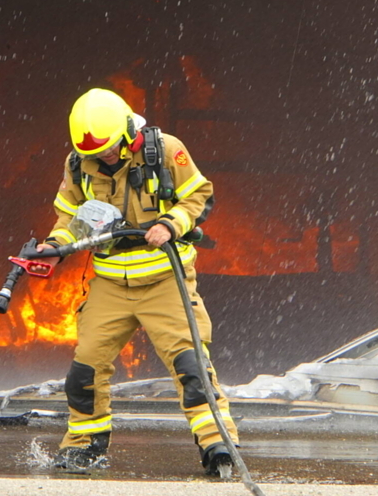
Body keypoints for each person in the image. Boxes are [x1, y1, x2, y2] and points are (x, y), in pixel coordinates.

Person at [35, 87, 239, 475]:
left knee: (192, 366)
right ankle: (84, 446)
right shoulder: (79, 164)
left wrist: (169, 224)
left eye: (110, 149)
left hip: (165, 279)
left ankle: (218, 445)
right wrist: (53, 246)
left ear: (129, 132)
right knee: (85, 372)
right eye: (97, 153)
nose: (104, 157)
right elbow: (69, 219)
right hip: (110, 284)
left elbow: (199, 195)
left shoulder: (164, 151)